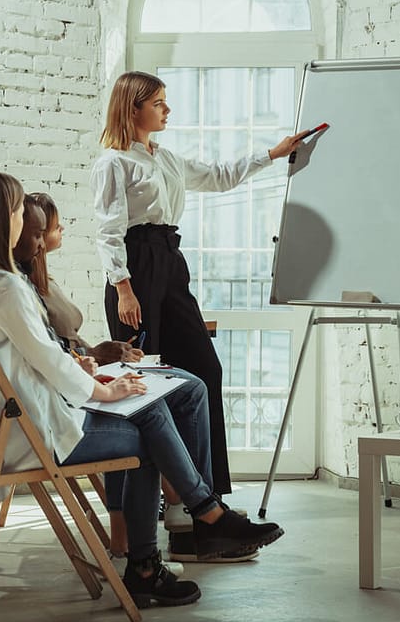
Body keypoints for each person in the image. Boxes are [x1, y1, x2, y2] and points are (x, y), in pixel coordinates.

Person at [0, 170, 284, 607]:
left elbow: (36, 360)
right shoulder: (5, 288)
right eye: (14, 211)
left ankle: (187, 527)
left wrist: (103, 384)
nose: (21, 219)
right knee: (146, 425)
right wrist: (105, 392)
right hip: (32, 436)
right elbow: (50, 362)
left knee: (145, 408)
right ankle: (181, 534)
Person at [92, 71, 307, 499]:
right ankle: (142, 502)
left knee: (206, 369)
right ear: (133, 107)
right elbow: (108, 231)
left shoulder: (167, 159)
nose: (167, 110)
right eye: (158, 103)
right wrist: (123, 287)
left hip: (171, 262)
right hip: (135, 267)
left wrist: (273, 153)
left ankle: (205, 492)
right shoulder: (114, 161)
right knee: (140, 380)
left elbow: (220, 176)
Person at [21, 192, 253, 565]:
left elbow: (57, 349)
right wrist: (100, 381)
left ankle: (190, 515)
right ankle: (186, 524)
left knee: (191, 386)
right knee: (143, 412)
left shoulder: (37, 283)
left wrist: (98, 353)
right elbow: (49, 357)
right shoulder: (15, 291)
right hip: (59, 406)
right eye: (47, 226)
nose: (61, 228)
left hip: (74, 383)